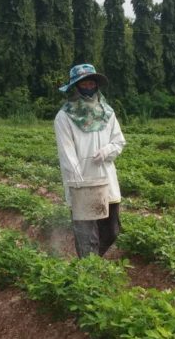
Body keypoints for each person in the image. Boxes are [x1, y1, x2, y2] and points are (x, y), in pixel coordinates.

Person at [54, 63, 126, 258]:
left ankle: (95, 261)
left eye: (91, 83)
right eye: (83, 84)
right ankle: (88, 270)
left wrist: (107, 151)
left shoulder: (107, 113)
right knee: (87, 236)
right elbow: (67, 154)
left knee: (111, 232)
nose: (88, 88)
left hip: (107, 181)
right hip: (82, 184)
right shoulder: (64, 117)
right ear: (75, 87)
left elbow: (119, 141)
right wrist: (80, 182)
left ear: (96, 85)